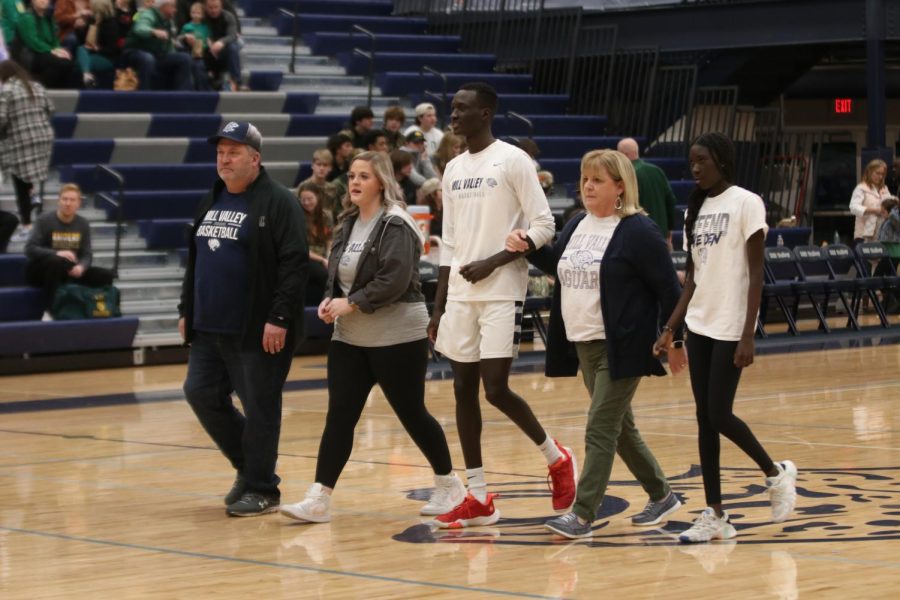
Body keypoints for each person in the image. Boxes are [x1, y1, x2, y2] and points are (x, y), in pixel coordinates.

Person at [505, 149, 685, 539]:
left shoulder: (639, 230)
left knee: (600, 426)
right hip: (583, 341)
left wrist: (676, 338)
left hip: (625, 344)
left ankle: (583, 514)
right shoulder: (576, 223)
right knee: (620, 429)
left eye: (598, 180)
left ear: (620, 187)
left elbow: (670, 288)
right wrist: (529, 246)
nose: (588, 186)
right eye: (586, 178)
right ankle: (662, 494)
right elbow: (558, 264)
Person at [280, 151, 466, 524]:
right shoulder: (347, 222)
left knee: (411, 413)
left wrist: (350, 303)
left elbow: (394, 280)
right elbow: (340, 275)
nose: (354, 182)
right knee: (340, 416)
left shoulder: (396, 224)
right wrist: (329, 302)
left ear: (381, 182)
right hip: (350, 336)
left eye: (363, 176)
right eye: (351, 175)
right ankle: (319, 498)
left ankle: (450, 484)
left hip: (397, 334)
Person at [428, 82, 576, 528]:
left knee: (494, 389)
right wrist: (437, 307)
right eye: (452, 108)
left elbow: (545, 224)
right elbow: (449, 244)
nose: (453, 115)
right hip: (459, 294)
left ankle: (556, 457)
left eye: (462, 109)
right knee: (461, 390)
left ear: (486, 114)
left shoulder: (513, 160)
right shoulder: (452, 169)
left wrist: (495, 261)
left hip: (501, 289)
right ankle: (478, 495)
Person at [653, 132, 797, 544]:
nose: (695, 168)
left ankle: (776, 473)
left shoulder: (747, 203)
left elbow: (755, 275)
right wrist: (670, 329)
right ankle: (715, 514)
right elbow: (693, 279)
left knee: (718, 413)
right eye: (691, 162)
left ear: (721, 159)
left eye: (702, 160)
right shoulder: (692, 211)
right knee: (704, 419)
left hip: (732, 325)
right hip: (699, 324)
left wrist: (747, 334)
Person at [179, 121, 308, 517]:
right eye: (220, 152)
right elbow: (195, 261)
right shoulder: (212, 198)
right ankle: (250, 470)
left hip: (256, 328)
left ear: (255, 158)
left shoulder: (278, 201)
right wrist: (187, 310)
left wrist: (280, 317)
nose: (224, 159)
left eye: (233, 152)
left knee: (260, 406)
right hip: (209, 326)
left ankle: (263, 489)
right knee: (199, 393)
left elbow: (294, 264)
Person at [24, 183, 114, 295]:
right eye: (64, 199)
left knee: (106, 275)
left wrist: (81, 267)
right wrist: (57, 253)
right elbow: (30, 249)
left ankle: (98, 310)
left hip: (68, 270)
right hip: (43, 271)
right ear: (59, 201)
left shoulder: (83, 224)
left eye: (72, 200)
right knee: (56, 262)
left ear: (78, 203)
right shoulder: (44, 220)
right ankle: (50, 310)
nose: (68, 203)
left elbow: (87, 254)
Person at [0, 59, 53, 237]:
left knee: (19, 180)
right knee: (27, 176)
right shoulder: (36, 86)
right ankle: (34, 195)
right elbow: (51, 109)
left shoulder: (7, 90)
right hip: (43, 137)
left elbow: (1, 119)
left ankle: (27, 224)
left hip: (21, 140)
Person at [617, 137, 678, 248]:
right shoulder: (657, 170)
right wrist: (669, 231)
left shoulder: (626, 176)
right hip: (661, 235)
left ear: (623, 155)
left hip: (637, 238)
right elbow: (671, 201)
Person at [124, 0, 193, 91]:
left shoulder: (168, 21)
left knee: (184, 58)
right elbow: (140, 28)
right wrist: (153, 31)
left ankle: (182, 98)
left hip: (157, 55)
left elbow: (170, 43)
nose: (175, 10)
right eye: (173, 7)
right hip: (135, 52)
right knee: (147, 59)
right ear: (164, 6)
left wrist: (184, 39)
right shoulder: (149, 14)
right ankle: (144, 97)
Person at [16, 0, 85, 88]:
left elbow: (54, 39)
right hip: (31, 54)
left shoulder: (48, 17)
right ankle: (47, 91)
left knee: (68, 62)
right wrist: (52, 50)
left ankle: (60, 94)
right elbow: (33, 41)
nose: (43, 1)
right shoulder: (26, 18)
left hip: (46, 52)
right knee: (58, 63)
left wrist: (59, 50)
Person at [297, 180, 332, 306]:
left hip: (323, 256)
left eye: (309, 198)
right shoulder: (297, 216)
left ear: (317, 196)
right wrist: (322, 260)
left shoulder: (326, 216)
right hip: (306, 257)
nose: (306, 203)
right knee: (323, 274)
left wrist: (329, 257)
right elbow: (301, 248)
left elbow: (329, 241)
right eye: (303, 199)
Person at [849, 158, 892, 245]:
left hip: (882, 235)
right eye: (877, 173)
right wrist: (874, 210)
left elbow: (890, 206)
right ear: (869, 172)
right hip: (863, 236)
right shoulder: (861, 188)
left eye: (882, 174)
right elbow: (853, 207)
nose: (880, 177)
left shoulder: (885, 189)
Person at [202, 0, 239, 91]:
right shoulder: (202, 17)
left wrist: (221, 42)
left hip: (223, 47)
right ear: (205, 7)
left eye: (216, 7)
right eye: (210, 8)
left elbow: (232, 35)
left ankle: (237, 81)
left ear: (221, 6)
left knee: (233, 48)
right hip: (206, 47)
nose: (213, 10)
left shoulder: (228, 16)